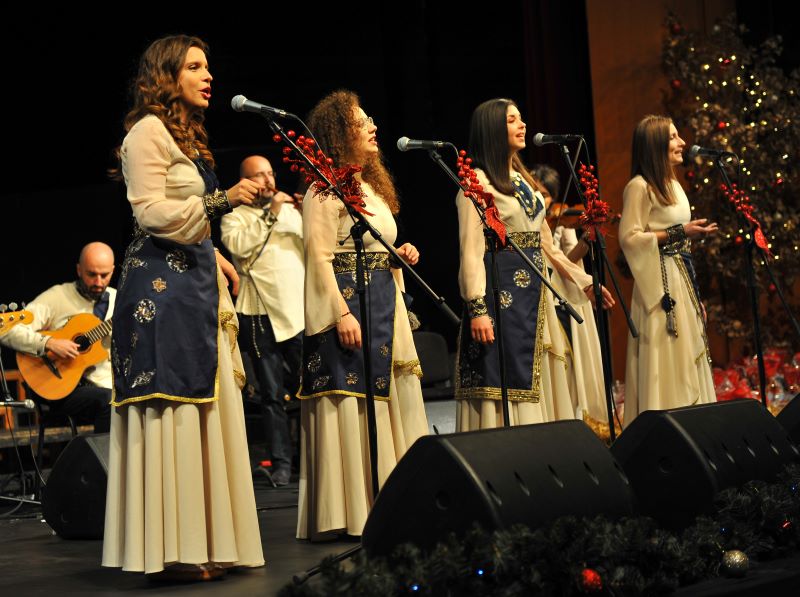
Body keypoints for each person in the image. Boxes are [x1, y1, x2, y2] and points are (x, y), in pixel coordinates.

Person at [101, 35, 264, 580]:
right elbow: (149, 213)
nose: (208, 75)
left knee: (204, 410)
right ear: (167, 76)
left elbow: (183, 213)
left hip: (193, 284)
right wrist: (223, 200)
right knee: (176, 406)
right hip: (160, 293)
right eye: (195, 67)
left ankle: (207, 540)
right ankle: (172, 551)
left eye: (208, 66)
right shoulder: (146, 132)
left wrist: (213, 254)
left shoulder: (185, 137)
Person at [296, 89, 428, 541]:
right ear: (339, 133)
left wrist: (398, 254)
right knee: (352, 401)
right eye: (361, 121)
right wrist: (339, 314)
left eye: (371, 119)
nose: (373, 127)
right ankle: (354, 509)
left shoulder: (370, 187)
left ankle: (392, 499)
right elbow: (318, 258)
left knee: (392, 396)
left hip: (384, 304)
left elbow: (374, 246)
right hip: (351, 307)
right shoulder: (322, 190)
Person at [455, 98, 614, 430]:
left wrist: (584, 281)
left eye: (521, 118)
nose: (522, 124)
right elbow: (471, 252)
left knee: (543, 374)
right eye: (512, 120)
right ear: (492, 130)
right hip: (503, 298)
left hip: (537, 298)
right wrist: (477, 306)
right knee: (510, 376)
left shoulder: (524, 182)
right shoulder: (477, 183)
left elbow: (548, 248)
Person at [619, 115, 717, 425]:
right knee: (665, 354)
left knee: (688, 352)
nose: (682, 142)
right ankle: (665, 428)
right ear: (655, 144)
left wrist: (695, 294)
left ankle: (695, 426)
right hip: (659, 287)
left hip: (681, 279)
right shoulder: (639, 187)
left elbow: (680, 242)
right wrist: (679, 232)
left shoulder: (673, 184)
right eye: (673, 137)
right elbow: (629, 238)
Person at [220, 155, 303, 486]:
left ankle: (314, 457)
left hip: (299, 313)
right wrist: (271, 214)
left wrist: (301, 212)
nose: (268, 180)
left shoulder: (292, 211)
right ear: (245, 180)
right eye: (259, 175)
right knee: (272, 395)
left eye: (270, 173)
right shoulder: (234, 217)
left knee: (311, 388)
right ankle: (281, 463)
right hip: (260, 314)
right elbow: (240, 248)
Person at [1, 242, 114, 433]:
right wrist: (49, 343)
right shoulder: (57, 297)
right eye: (91, 274)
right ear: (79, 270)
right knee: (109, 401)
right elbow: (6, 329)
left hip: (106, 384)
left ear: (113, 270)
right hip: (61, 388)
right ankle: (104, 454)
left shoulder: (120, 301)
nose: (98, 282)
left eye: (104, 275)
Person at [530, 164, 607, 426]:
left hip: (558, 296)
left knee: (563, 361)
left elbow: (570, 258)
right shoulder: (529, 215)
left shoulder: (561, 221)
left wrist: (587, 238)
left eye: (545, 194)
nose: (541, 199)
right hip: (533, 294)